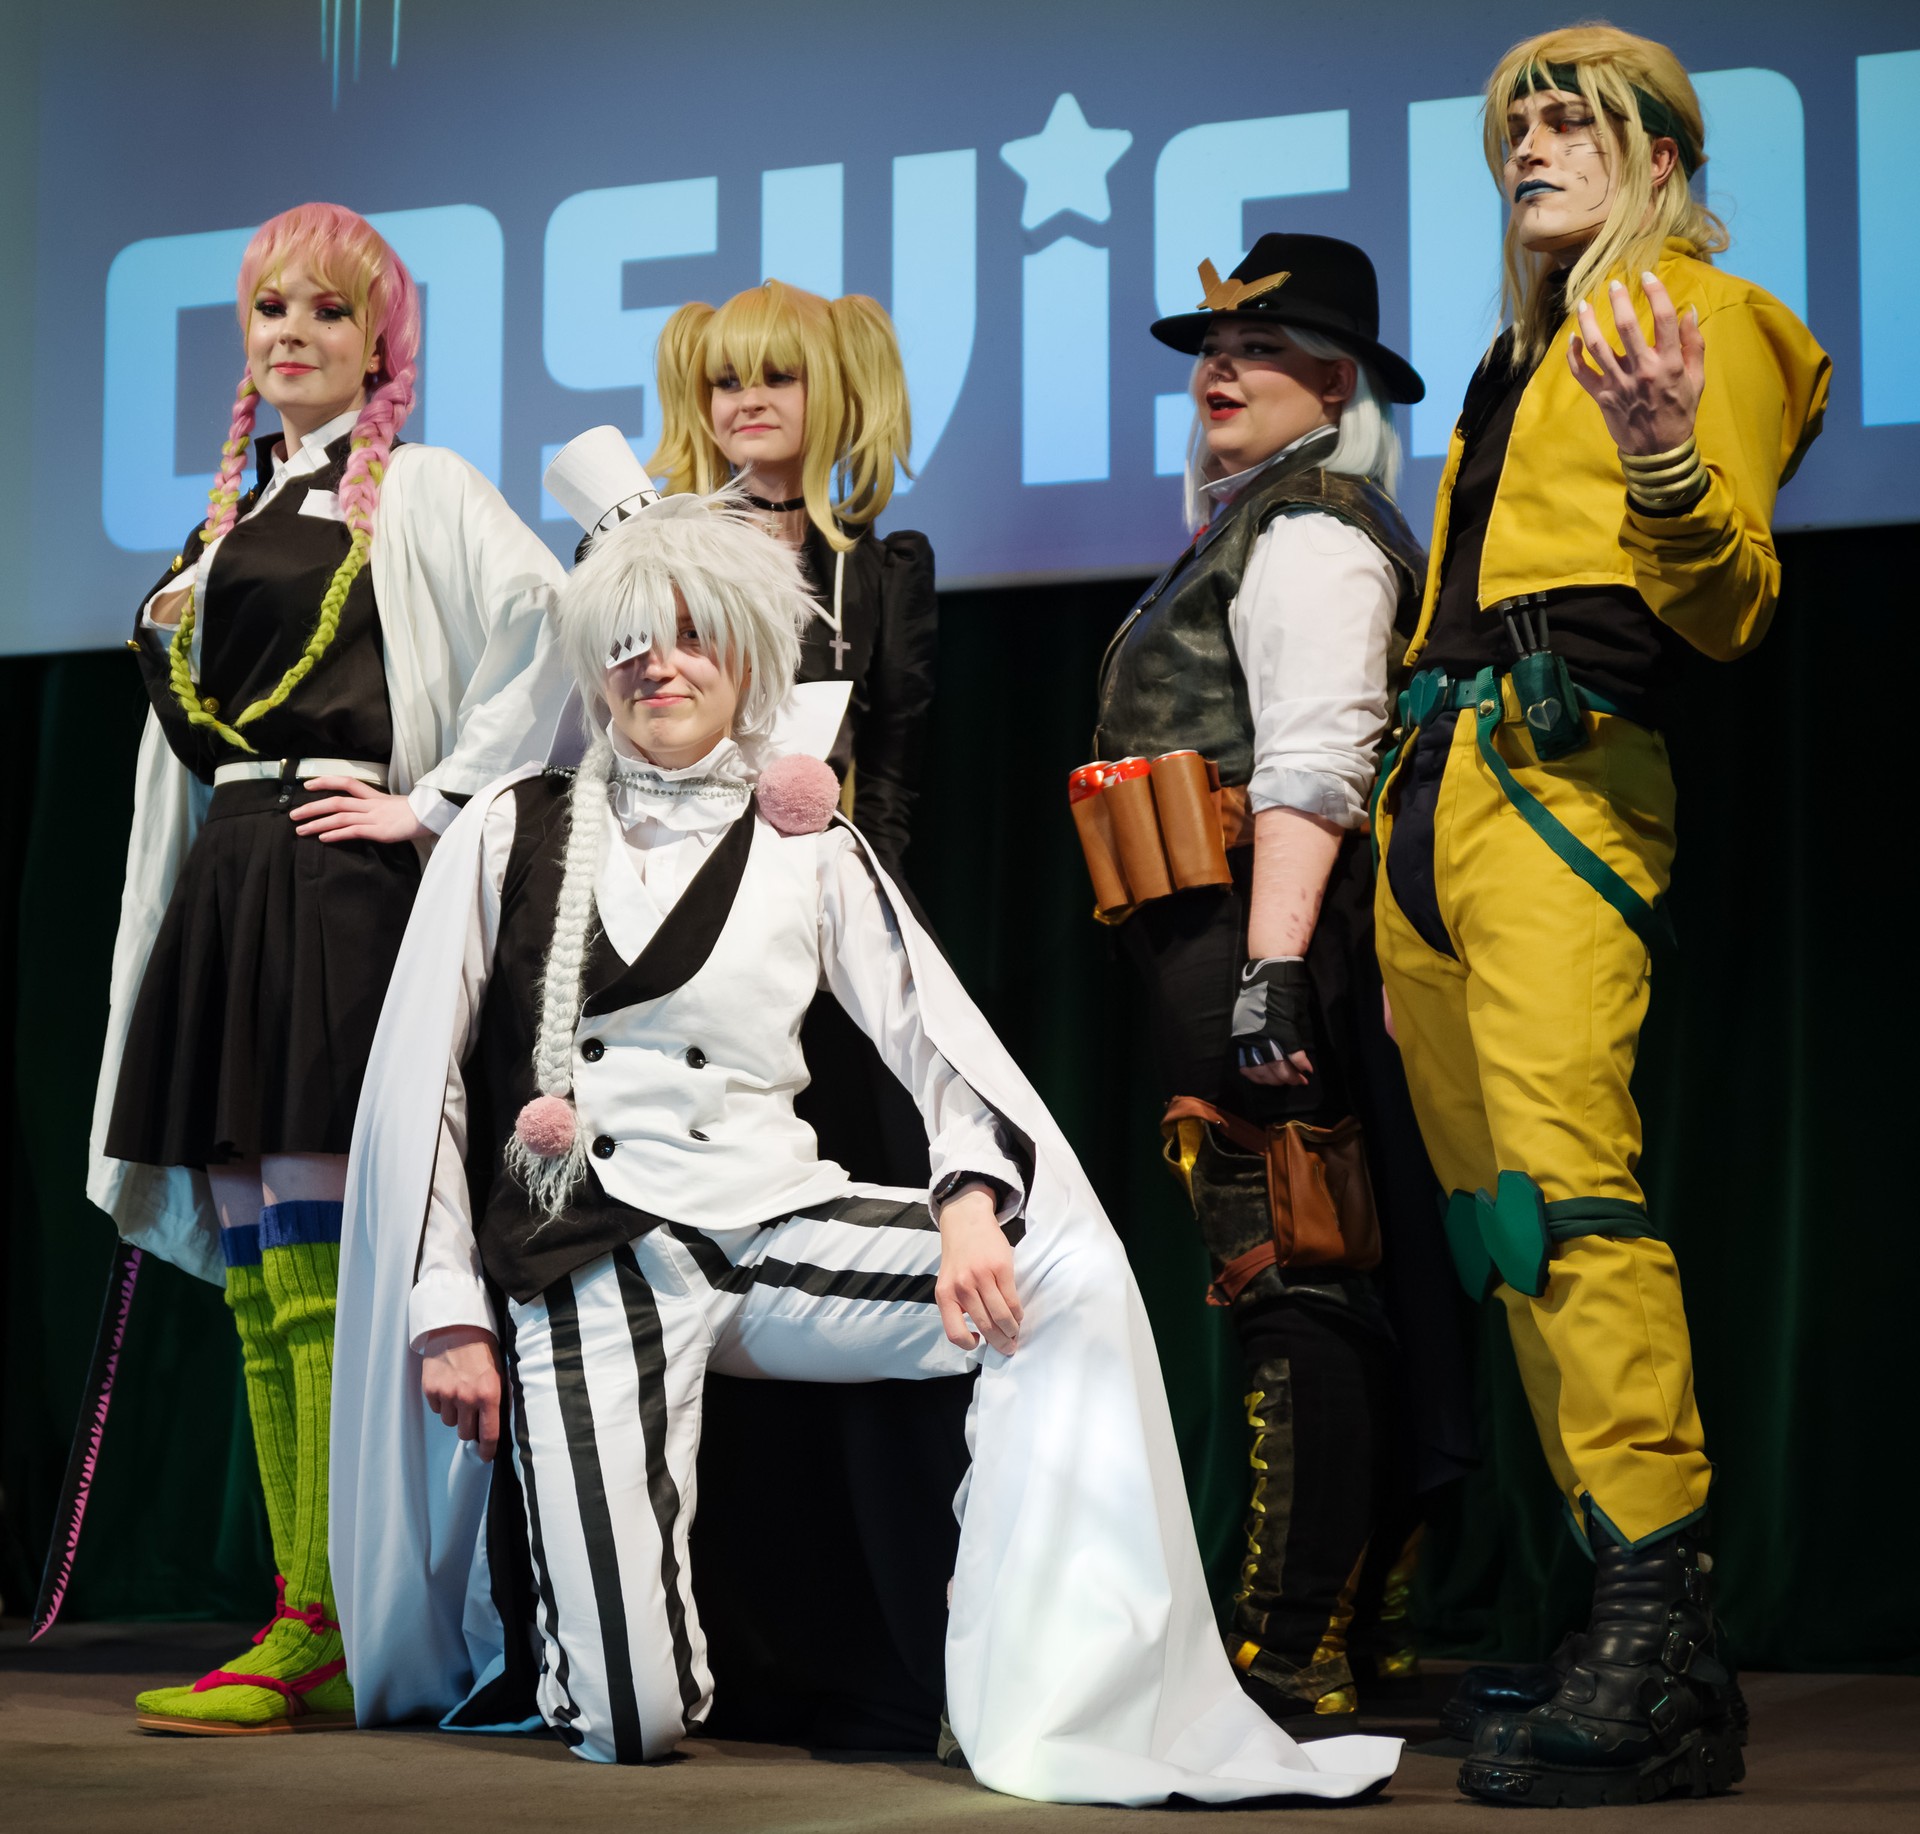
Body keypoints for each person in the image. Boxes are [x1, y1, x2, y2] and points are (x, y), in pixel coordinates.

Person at [329, 488, 1402, 1806]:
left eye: (690, 636)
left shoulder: (810, 843)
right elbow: (426, 1088)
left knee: (1060, 1274)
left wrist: (968, 1199)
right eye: (625, 643)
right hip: (590, 1262)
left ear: (746, 655)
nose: (656, 665)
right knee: (629, 1720)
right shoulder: (510, 823)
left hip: (773, 1226)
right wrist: (446, 1308)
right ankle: (596, 1658)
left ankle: (1056, 1688)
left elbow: (936, 1036)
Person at [1371, 24, 1829, 1808]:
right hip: (1436, 793)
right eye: (1518, 125)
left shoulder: (1709, 322)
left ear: (1660, 156)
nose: (1532, 146)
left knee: (1571, 1192)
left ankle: (1658, 1616)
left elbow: (1732, 605)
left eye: (1571, 120)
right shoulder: (1515, 355)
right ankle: (1627, 1626)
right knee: (1500, 1222)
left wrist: (1660, 462)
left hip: (1562, 788)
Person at [86, 202, 569, 1734]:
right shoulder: (229, 517)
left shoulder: (416, 486)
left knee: (322, 1257)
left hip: (330, 884)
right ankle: (302, 1606)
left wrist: (430, 801)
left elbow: (546, 619)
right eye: (269, 309)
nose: (291, 332)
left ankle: (339, 1611)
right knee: (258, 1263)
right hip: (233, 877)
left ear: (382, 343)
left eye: (328, 310)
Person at [1086, 233, 1469, 1722]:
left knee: (1290, 1267)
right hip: (1220, 930)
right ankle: (1334, 1633)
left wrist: (1269, 971)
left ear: (1337, 381)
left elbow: (1314, 765)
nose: (1221, 368)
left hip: (1257, 928)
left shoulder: (1309, 528)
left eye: (1263, 346)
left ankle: (1289, 1641)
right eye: (1212, 347)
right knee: (1309, 1264)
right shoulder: (1261, 521)